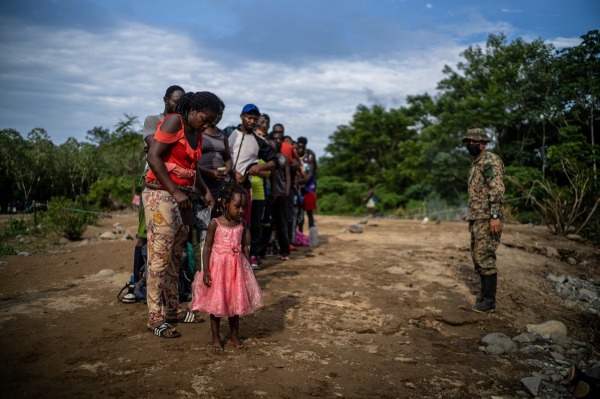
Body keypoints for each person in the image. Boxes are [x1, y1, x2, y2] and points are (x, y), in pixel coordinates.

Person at [143, 91, 223, 338]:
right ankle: (155, 318)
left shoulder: (197, 134)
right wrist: (175, 191)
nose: (207, 125)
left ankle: (173, 310)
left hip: (184, 199)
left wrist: (205, 191)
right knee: (159, 257)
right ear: (192, 110)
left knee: (176, 257)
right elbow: (153, 156)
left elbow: (192, 168)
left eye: (213, 123)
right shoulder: (174, 121)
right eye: (206, 119)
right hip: (162, 198)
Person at [190, 182, 263, 351]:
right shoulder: (215, 223)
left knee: (235, 304)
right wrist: (206, 270)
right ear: (225, 203)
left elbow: (246, 245)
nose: (241, 211)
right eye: (237, 207)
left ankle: (234, 335)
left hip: (236, 271)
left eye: (244, 208)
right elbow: (206, 248)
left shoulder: (241, 225)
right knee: (216, 304)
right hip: (218, 270)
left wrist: (248, 269)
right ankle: (216, 337)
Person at [131, 85, 185, 294]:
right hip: (154, 180)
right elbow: (155, 147)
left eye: (182, 102)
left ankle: (173, 288)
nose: (178, 105)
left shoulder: (183, 126)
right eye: (175, 101)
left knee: (176, 236)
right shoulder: (153, 121)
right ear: (165, 99)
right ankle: (136, 281)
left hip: (177, 183)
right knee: (145, 234)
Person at [228, 104, 278, 260]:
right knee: (222, 223)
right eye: (249, 118)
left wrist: (259, 167)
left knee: (243, 225)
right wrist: (232, 173)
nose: (252, 121)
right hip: (223, 185)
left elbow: (274, 161)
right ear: (242, 116)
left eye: (255, 119)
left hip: (243, 188)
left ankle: (243, 258)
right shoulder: (228, 133)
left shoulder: (259, 141)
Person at [463, 128, 505, 314]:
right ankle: (483, 294)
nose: (469, 145)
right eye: (467, 142)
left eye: (472, 141)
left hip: (489, 217)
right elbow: (476, 194)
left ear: (482, 143)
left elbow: (496, 189)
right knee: (477, 256)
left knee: (485, 256)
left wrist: (494, 216)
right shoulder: (476, 163)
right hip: (478, 217)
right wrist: (471, 218)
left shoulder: (490, 161)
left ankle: (489, 302)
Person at [248, 113, 272, 269]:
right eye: (258, 134)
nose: (260, 137)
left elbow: (267, 173)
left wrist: (254, 169)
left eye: (262, 135)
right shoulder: (248, 148)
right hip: (244, 191)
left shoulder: (263, 150)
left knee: (256, 225)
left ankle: (254, 256)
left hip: (258, 192)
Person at [268, 130, 292, 260]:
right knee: (267, 224)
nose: (277, 141)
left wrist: (287, 191)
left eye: (279, 139)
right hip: (269, 194)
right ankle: (265, 250)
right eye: (274, 138)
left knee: (282, 223)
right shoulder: (266, 156)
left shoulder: (283, 158)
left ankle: (284, 251)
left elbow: (288, 176)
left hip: (281, 194)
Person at [296, 136, 318, 233]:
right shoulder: (295, 155)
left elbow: (311, 172)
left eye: (302, 147)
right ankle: (300, 234)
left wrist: (303, 181)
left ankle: (311, 231)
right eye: (299, 147)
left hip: (309, 187)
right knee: (299, 212)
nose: (300, 149)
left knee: (309, 211)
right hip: (298, 187)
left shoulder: (309, 156)